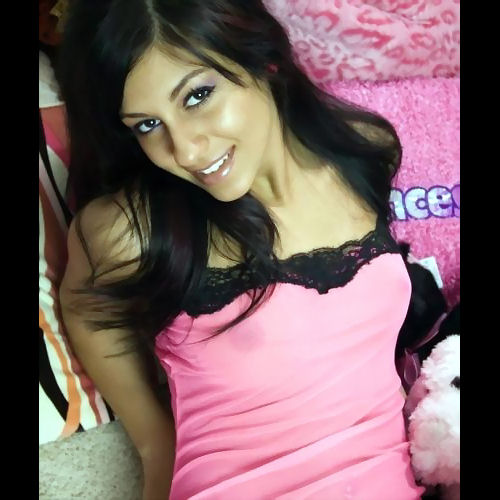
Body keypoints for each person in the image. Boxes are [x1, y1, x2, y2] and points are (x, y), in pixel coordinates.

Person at [56, 1, 425, 498]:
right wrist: (155, 444)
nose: (186, 150)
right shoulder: (130, 229)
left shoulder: (362, 151)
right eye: (147, 125)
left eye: (197, 96)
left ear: (263, 59)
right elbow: (84, 310)